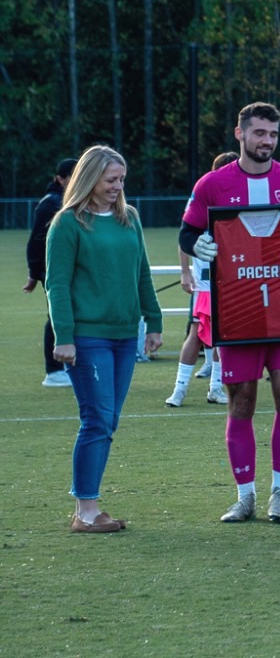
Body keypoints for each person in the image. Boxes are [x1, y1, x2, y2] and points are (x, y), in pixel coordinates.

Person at [184, 103, 280, 524]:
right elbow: (188, 230)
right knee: (241, 403)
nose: (267, 141)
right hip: (238, 315)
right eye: (259, 133)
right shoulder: (212, 184)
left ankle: (279, 494)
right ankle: (244, 496)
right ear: (240, 134)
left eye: (273, 134)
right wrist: (198, 246)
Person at [43, 146, 161, 532]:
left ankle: (87, 508)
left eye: (121, 180)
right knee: (96, 420)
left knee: (107, 420)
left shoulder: (130, 219)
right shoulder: (68, 224)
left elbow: (142, 272)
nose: (117, 186)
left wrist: (154, 321)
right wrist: (64, 338)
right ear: (90, 178)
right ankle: (87, 512)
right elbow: (57, 285)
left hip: (125, 336)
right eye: (111, 179)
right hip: (87, 337)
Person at [165, 151, 235, 408]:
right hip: (206, 279)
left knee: (222, 335)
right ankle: (179, 389)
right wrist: (185, 272)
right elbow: (185, 236)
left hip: (232, 278)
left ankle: (216, 388)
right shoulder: (204, 195)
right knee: (196, 332)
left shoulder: (240, 196)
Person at [27, 157, 77, 388]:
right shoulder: (51, 203)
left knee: (74, 315)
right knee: (56, 316)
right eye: (72, 175)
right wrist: (34, 272)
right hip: (53, 271)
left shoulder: (72, 200)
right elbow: (36, 241)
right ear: (60, 178)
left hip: (72, 270)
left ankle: (70, 365)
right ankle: (54, 371)